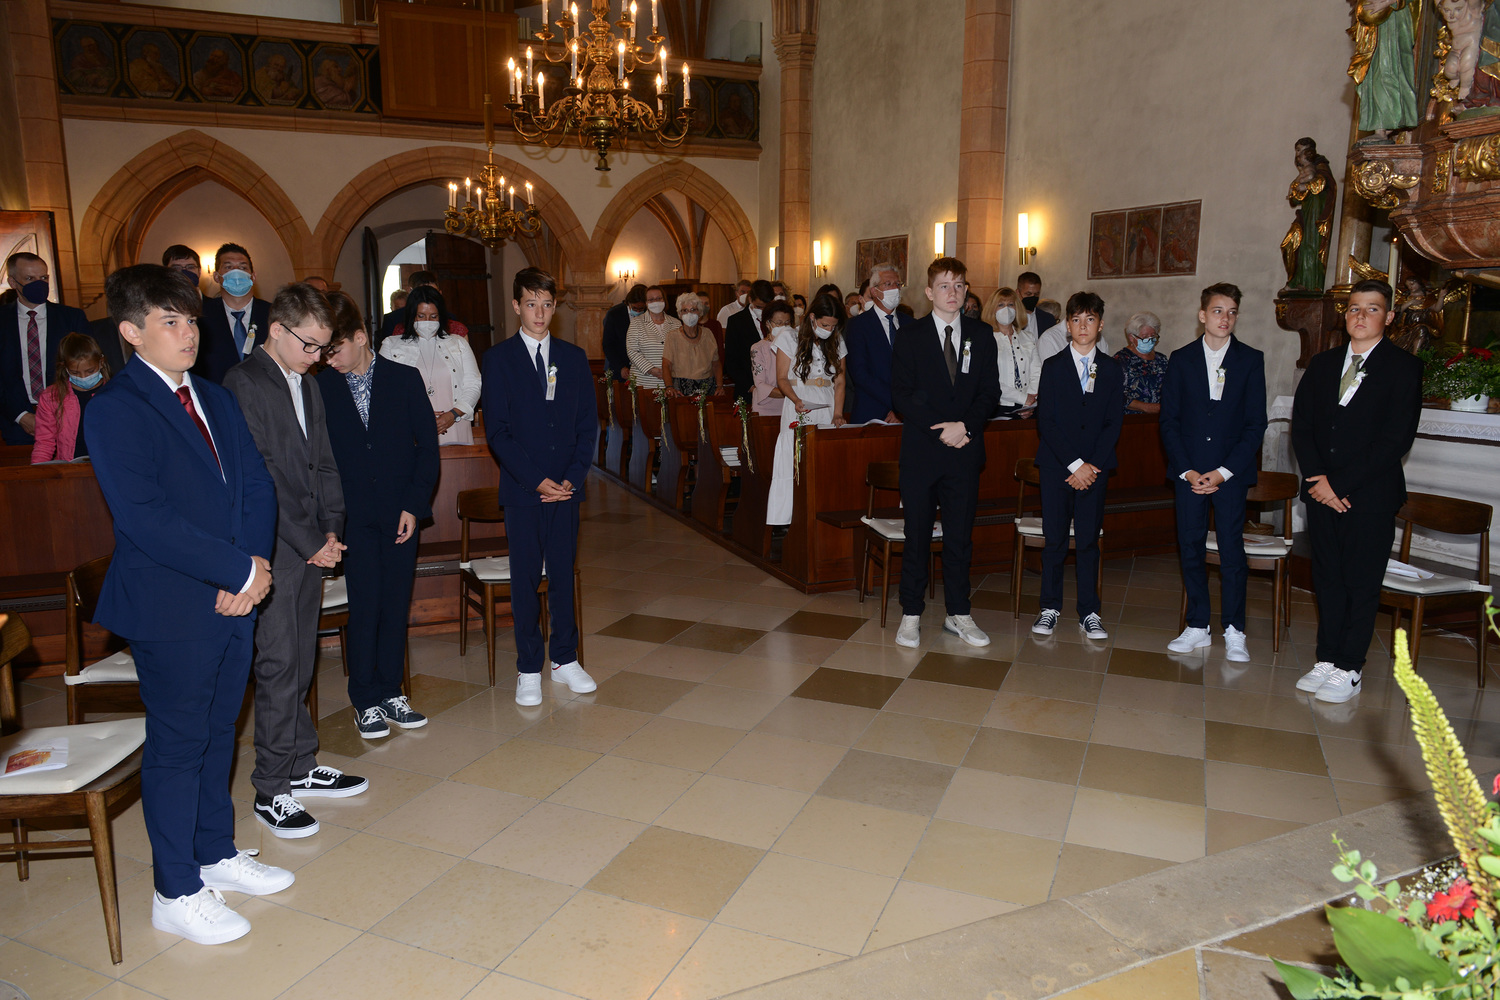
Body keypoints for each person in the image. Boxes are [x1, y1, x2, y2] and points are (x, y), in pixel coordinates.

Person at [87, 264, 287, 945]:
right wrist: (236, 568)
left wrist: (252, 568)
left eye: (191, 320)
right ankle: (174, 890)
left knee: (220, 729)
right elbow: (146, 518)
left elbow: (256, 485)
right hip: (171, 605)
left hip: (236, 594)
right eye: (168, 321)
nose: (187, 333)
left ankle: (213, 853)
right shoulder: (116, 409)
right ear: (130, 332)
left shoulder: (214, 396)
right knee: (178, 743)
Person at [224, 283, 364, 838]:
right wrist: (309, 541)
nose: (318, 357)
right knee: (279, 664)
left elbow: (324, 462)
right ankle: (271, 788)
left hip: (310, 542)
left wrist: (332, 529)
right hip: (276, 548)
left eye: (324, 348)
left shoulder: (306, 383)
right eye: (310, 345)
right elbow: (264, 475)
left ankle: (301, 764)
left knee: (304, 657)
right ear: (277, 330)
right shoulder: (243, 382)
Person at [1291, 278, 1422, 703]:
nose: (1360, 316)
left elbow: (1395, 439)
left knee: (1360, 582)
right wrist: (1318, 479)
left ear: (1389, 316)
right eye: (1353, 308)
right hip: (1321, 493)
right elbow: (1303, 426)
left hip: (1369, 496)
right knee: (1328, 578)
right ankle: (1327, 658)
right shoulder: (1323, 364)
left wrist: (1340, 484)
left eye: (1371, 309)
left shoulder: (1403, 367)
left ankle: (1350, 667)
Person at [317, 292, 439, 738]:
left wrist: (414, 505)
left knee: (395, 604)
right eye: (323, 352)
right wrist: (329, 522)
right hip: (352, 519)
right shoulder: (321, 387)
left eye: (335, 349)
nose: (328, 359)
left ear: (360, 337)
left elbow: (427, 450)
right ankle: (365, 699)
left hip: (400, 512)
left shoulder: (404, 379)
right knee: (365, 606)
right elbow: (320, 461)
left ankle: (392, 691)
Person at [481, 266, 598, 707]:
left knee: (563, 575)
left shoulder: (572, 358)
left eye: (547, 304)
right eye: (531, 304)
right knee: (526, 578)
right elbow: (498, 432)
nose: (540, 313)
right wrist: (536, 481)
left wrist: (571, 477)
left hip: (565, 487)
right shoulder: (499, 359)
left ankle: (564, 659)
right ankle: (529, 666)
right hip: (523, 489)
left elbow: (587, 425)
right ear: (517, 306)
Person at [890, 257, 1000, 649]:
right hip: (923, 452)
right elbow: (902, 395)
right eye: (944, 286)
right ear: (929, 291)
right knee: (917, 536)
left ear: (966, 290)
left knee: (959, 539)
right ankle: (911, 613)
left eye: (958, 286)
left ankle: (959, 613)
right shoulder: (911, 335)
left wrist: (965, 426)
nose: (952, 293)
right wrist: (943, 429)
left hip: (964, 452)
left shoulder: (981, 335)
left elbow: (990, 392)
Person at [1160, 284, 1268, 663]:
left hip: (1230, 473)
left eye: (1232, 311)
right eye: (1218, 311)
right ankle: (1197, 624)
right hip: (1189, 473)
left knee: (1231, 551)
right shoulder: (1181, 359)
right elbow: (1169, 421)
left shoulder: (1250, 360)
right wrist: (1187, 470)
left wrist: (1223, 472)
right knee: (1190, 546)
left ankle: (1235, 629)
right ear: (1203, 315)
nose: (1226, 318)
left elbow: (1255, 425)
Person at [1032, 291, 1124, 642]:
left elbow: (1113, 422)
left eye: (1090, 319)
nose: (1083, 326)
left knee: (1088, 541)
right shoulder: (1054, 366)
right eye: (1076, 320)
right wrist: (1074, 464)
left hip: (1095, 470)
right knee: (1055, 540)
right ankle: (1049, 607)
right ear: (1067, 326)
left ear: (1100, 325)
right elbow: (1047, 421)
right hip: (1057, 466)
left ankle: (1089, 612)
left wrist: (1091, 465)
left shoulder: (1111, 368)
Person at [768, 292, 848, 526]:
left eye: (833, 326)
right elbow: (782, 378)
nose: (829, 330)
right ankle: (791, 518)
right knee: (795, 458)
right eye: (825, 325)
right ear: (812, 317)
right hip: (799, 402)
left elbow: (840, 381)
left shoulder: (836, 340)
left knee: (824, 461)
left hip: (827, 403)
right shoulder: (788, 337)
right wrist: (795, 399)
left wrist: (838, 413)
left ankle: (821, 514)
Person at [1, 251, 92, 445]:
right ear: (13, 282)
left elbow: (87, 367)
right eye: (30, 279)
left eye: (43, 278)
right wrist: (21, 415)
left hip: (66, 418)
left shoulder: (72, 318)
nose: (39, 284)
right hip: (15, 421)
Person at [380, 285, 482, 446]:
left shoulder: (458, 343)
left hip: (455, 424)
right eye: (421, 316)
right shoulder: (391, 345)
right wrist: (417, 415)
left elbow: (473, 383)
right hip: (411, 430)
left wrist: (453, 414)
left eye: (433, 317)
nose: (427, 322)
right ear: (411, 315)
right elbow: (383, 390)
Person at [193, 243, 270, 384]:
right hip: (217, 391)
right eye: (228, 267)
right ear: (217, 277)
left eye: (242, 267)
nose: (236, 272)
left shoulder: (272, 314)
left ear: (253, 276)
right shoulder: (200, 316)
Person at [31, 332, 109, 463]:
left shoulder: (117, 392)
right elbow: (44, 443)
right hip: (69, 467)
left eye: (90, 371)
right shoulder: (51, 397)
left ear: (101, 363)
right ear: (65, 368)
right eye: (75, 372)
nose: (83, 377)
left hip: (108, 467)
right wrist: (37, 471)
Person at [846, 263, 906, 423]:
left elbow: (918, 372)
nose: (895, 288)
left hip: (906, 416)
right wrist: (896, 405)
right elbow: (860, 374)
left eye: (898, 284)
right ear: (874, 291)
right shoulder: (858, 326)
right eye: (888, 284)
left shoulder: (911, 324)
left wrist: (902, 411)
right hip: (871, 412)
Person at [984, 287, 1039, 409]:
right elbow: (989, 379)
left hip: (1029, 404)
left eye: (1010, 305)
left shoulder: (1028, 337)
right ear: (993, 309)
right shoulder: (986, 340)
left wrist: (1030, 400)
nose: (1006, 309)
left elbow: (1036, 370)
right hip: (998, 404)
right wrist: (1023, 398)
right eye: (1001, 305)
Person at [663, 292, 723, 396]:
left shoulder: (708, 334)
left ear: (700, 313)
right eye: (685, 310)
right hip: (681, 389)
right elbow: (666, 365)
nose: (689, 314)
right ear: (680, 314)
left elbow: (716, 364)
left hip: (707, 388)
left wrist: (720, 386)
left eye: (693, 310)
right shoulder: (672, 336)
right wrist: (669, 387)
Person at [724, 279, 773, 405]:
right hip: (748, 390)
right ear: (750, 299)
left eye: (766, 307)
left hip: (774, 389)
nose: (763, 311)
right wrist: (750, 386)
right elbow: (731, 361)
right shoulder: (736, 321)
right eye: (759, 307)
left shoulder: (775, 320)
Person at [626, 285, 680, 391]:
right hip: (643, 382)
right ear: (646, 303)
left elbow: (681, 351)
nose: (655, 302)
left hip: (670, 383)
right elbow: (632, 351)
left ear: (664, 300)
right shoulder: (636, 323)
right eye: (651, 300)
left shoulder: (676, 323)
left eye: (659, 298)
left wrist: (669, 370)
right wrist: (651, 369)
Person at [1115, 311, 1170, 413]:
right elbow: (1115, 394)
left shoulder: (1161, 360)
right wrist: (1147, 407)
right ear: (1132, 338)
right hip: (1131, 419)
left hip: (1160, 417)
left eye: (1153, 336)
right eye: (1145, 337)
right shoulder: (1121, 360)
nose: (1150, 340)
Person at [750, 301, 791, 416]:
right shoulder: (758, 348)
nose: (783, 327)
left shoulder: (794, 346)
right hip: (766, 408)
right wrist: (792, 394)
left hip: (790, 406)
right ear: (768, 323)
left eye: (787, 323)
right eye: (779, 323)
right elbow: (760, 384)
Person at [603, 283, 646, 382]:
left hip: (642, 369)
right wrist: (621, 367)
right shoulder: (614, 314)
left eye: (641, 309)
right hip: (619, 368)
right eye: (634, 308)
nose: (638, 311)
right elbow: (608, 345)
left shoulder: (649, 314)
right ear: (628, 303)